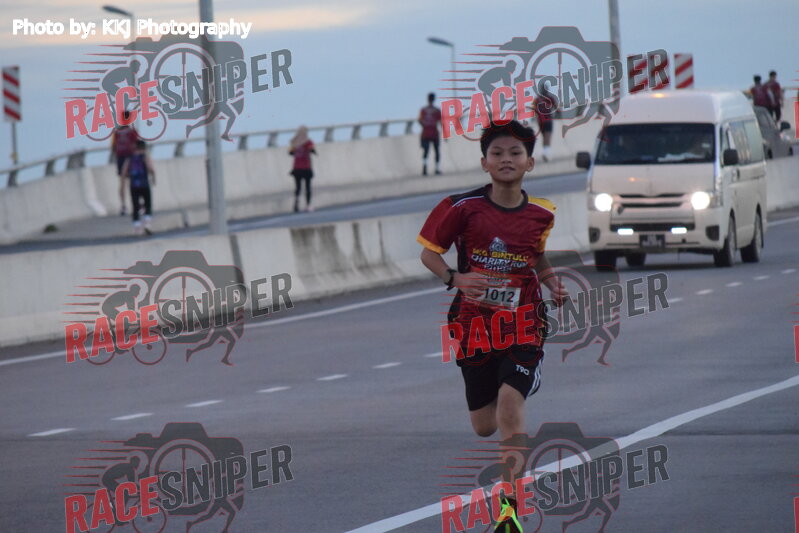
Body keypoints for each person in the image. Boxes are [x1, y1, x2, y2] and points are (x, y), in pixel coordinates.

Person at [417, 120, 567, 532]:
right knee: (485, 426)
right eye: (497, 153)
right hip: (474, 328)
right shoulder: (461, 208)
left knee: (510, 404)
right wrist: (456, 279)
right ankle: (515, 386)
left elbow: (535, 254)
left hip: (525, 324)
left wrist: (552, 283)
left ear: (530, 162)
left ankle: (509, 508)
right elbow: (429, 254)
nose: (506, 160)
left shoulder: (542, 213)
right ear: (484, 163)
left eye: (515, 153)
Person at [121, 140, 156, 235]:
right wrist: (154, 178)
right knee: (148, 204)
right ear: (144, 148)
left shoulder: (130, 158)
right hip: (144, 184)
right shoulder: (144, 156)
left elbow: (124, 172)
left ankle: (137, 228)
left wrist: (126, 181)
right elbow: (151, 168)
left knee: (135, 206)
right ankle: (147, 225)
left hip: (133, 185)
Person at [110, 112, 139, 216]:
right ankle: (136, 204)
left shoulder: (117, 132)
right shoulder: (132, 132)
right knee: (134, 181)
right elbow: (137, 145)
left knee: (122, 182)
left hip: (121, 159)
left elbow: (113, 147)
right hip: (131, 158)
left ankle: (123, 206)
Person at [289, 126, 316, 212]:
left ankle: (296, 201)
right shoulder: (308, 142)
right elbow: (312, 150)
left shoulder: (294, 142)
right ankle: (308, 205)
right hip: (306, 167)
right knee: (308, 187)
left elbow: (290, 152)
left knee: (298, 187)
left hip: (296, 168)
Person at [419, 92, 442, 176]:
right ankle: (436, 168)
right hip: (434, 133)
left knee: (426, 151)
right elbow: (441, 122)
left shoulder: (424, 110)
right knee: (436, 151)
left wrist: (425, 125)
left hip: (425, 133)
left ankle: (425, 168)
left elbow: (420, 120)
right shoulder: (436, 111)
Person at [534, 84, 558, 161]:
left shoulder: (537, 99)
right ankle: (546, 154)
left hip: (540, 121)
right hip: (547, 120)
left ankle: (545, 153)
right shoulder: (550, 98)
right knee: (547, 137)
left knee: (544, 137)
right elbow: (556, 108)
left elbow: (534, 110)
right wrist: (557, 115)